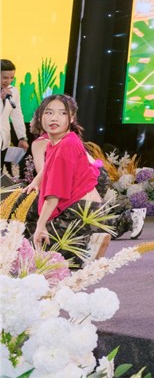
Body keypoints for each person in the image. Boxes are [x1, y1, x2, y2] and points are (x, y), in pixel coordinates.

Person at [20, 95, 133, 265]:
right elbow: (49, 168)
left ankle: (85, 246)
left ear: (72, 118)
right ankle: (83, 241)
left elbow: (53, 195)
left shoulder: (65, 145)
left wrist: (41, 226)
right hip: (83, 204)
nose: (54, 118)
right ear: (40, 116)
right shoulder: (59, 141)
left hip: (80, 210)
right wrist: (36, 181)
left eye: (62, 113)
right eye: (48, 112)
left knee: (29, 257)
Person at [1, 59, 29, 173]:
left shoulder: (13, 91)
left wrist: (22, 137)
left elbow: (17, 115)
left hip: (3, 142)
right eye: (5, 77)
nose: (9, 81)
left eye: (12, 77)